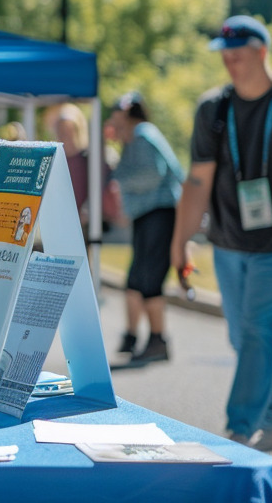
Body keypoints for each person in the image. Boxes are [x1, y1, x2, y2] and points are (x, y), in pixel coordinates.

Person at [172, 15, 272, 451]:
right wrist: (179, 242)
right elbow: (198, 181)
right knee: (242, 337)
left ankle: (238, 431)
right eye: (225, 55)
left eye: (238, 54)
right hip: (227, 244)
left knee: (258, 331)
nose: (230, 63)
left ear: (262, 51)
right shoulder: (213, 109)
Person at [106, 92, 183, 364]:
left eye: (116, 116)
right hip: (149, 214)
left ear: (127, 115)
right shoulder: (138, 136)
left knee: (149, 277)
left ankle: (158, 339)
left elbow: (152, 174)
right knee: (139, 277)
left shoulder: (142, 135)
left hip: (158, 213)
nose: (113, 122)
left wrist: (119, 177)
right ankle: (140, 336)